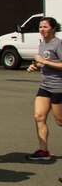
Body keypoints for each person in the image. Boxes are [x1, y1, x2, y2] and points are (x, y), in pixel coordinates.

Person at [27, 16, 62, 161]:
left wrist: (43, 61)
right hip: (45, 86)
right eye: (40, 27)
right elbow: (45, 63)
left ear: (53, 28)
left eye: (45, 27)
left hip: (58, 87)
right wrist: (36, 66)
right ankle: (43, 151)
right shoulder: (43, 44)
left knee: (60, 121)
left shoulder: (58, 44)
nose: (42, 29)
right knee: (39, 116)